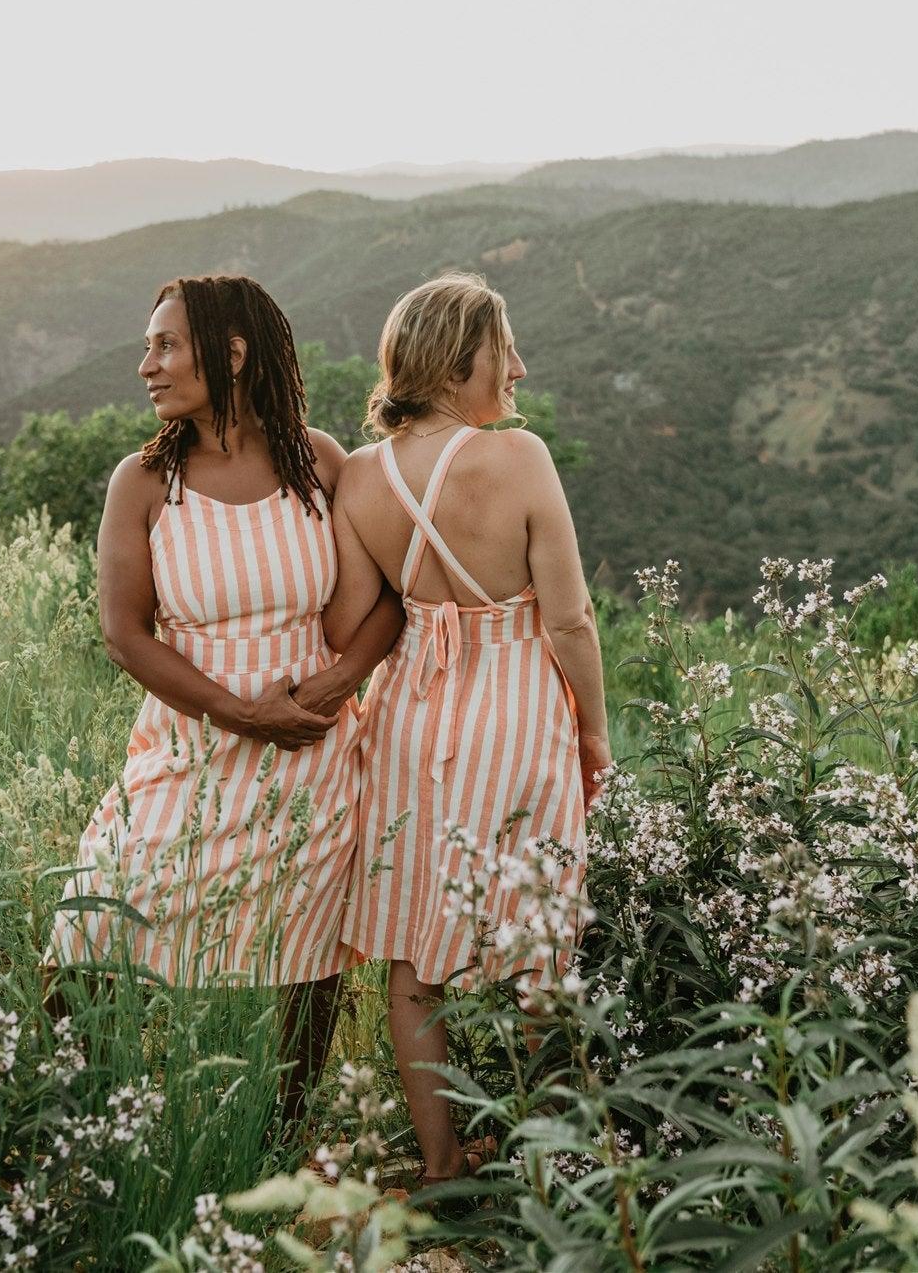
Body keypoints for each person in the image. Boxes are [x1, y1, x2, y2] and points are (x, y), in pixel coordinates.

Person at [44, 273, 400, 1128]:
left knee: (304, 945)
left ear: (232, 353)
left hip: (310, 746)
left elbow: (383, 600)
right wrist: (243, 713)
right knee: (90, 919)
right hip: (190, 743)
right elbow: (126, 635)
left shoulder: (318, 461)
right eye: (147, 347)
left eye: (165, 345)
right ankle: (75, 1117)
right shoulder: (141, 482)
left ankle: (288, 1126)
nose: (147, 366)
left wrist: (335, 683)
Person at [320, 271, 609, 1185]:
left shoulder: (362, 480)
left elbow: (349, 625)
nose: (518, 366)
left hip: (411, 717)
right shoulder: (519, 456)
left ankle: (443, 1163)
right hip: (520, 711)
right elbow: (569, 621)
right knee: (538, 943)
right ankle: (551, 1162)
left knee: (414, 957)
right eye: (504, 348)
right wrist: (594, 732)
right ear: (456, 361)